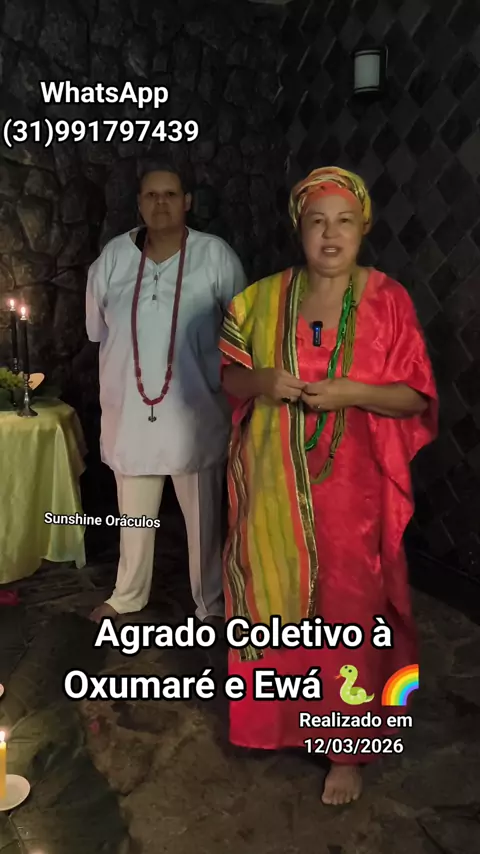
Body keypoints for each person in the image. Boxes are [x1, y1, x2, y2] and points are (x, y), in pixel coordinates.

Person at [219, 166, 438, 805]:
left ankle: (347, 752)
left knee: (348, 612)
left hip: (354, 496)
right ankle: (278, 724)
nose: (330, 234)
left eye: (344, 220)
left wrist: (353, 393)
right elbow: (230, 378)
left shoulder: (389, 300)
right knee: (277, 607)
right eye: (317, 221)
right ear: (300, 229)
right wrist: (264, 381)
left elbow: (415, 396)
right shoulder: (257, 300)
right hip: (273, 486)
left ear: (363, 227)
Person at [86, 160, 247, 625]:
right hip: (131, 411)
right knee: (133, 516)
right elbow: (97, 329)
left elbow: (242, 330)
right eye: (151, 195)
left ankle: (210, 603)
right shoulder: (113, 258)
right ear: (139, 204)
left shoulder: (215, 256)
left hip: (195, 411)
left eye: (171, 194)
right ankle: (127, 595)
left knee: (204, 521)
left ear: (187, 202)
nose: (161, 203)